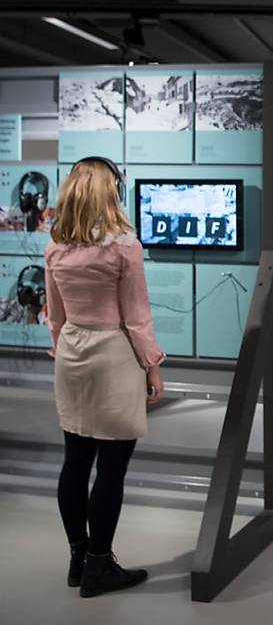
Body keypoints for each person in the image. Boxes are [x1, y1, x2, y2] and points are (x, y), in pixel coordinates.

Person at [44, 157, 165, 598]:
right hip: (112, 353)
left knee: (75, 460)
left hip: (72, 351)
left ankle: (78, 558)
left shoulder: (56, 246)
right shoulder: (123, 245)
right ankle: (100, 564)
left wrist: (65, 352)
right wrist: (152, 365)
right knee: (111, 468)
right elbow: (136, 318)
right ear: (112, 190)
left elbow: (54, 317)